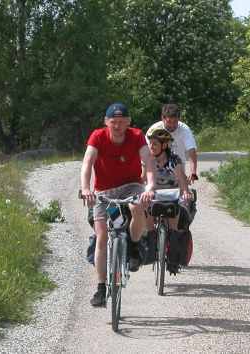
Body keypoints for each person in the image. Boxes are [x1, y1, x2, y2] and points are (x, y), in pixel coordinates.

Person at [80, 102, 156, 307]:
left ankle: (133, 246)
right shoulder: (97, 136)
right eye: (113, 122)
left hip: (132, 185)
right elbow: (87, 163)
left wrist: (150, 186)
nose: (117, 126)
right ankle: (101, 287)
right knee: (102, 236)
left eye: (122, 122)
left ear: (129, 122)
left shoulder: (137, 136)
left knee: (138, 207)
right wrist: (86, 188)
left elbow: (148, 162)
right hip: (104, 191)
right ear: (106, 122)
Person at [143, 126, 194, 274]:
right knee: (147, 211)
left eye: (155, 144)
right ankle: (151, 247)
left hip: (172, 194)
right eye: (150, 143)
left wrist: (185, 192)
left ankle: (173, 260)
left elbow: (181, 178)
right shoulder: (148, 160)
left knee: (174, 225)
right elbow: (141, 178)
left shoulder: (174, 160)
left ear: (164, 146)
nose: (151, 146)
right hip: (153, 194)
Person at [147, 103, 198, 184]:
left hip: (178, 165)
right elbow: (146, 152)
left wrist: (193, 172)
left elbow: (192, 152)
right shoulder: (153, 130)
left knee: (182, 191)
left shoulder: (185, 130)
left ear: (179, 119)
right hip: (157, 165)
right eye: (169, 121)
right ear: (162, 118)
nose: (172, 125)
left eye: (175, 122)